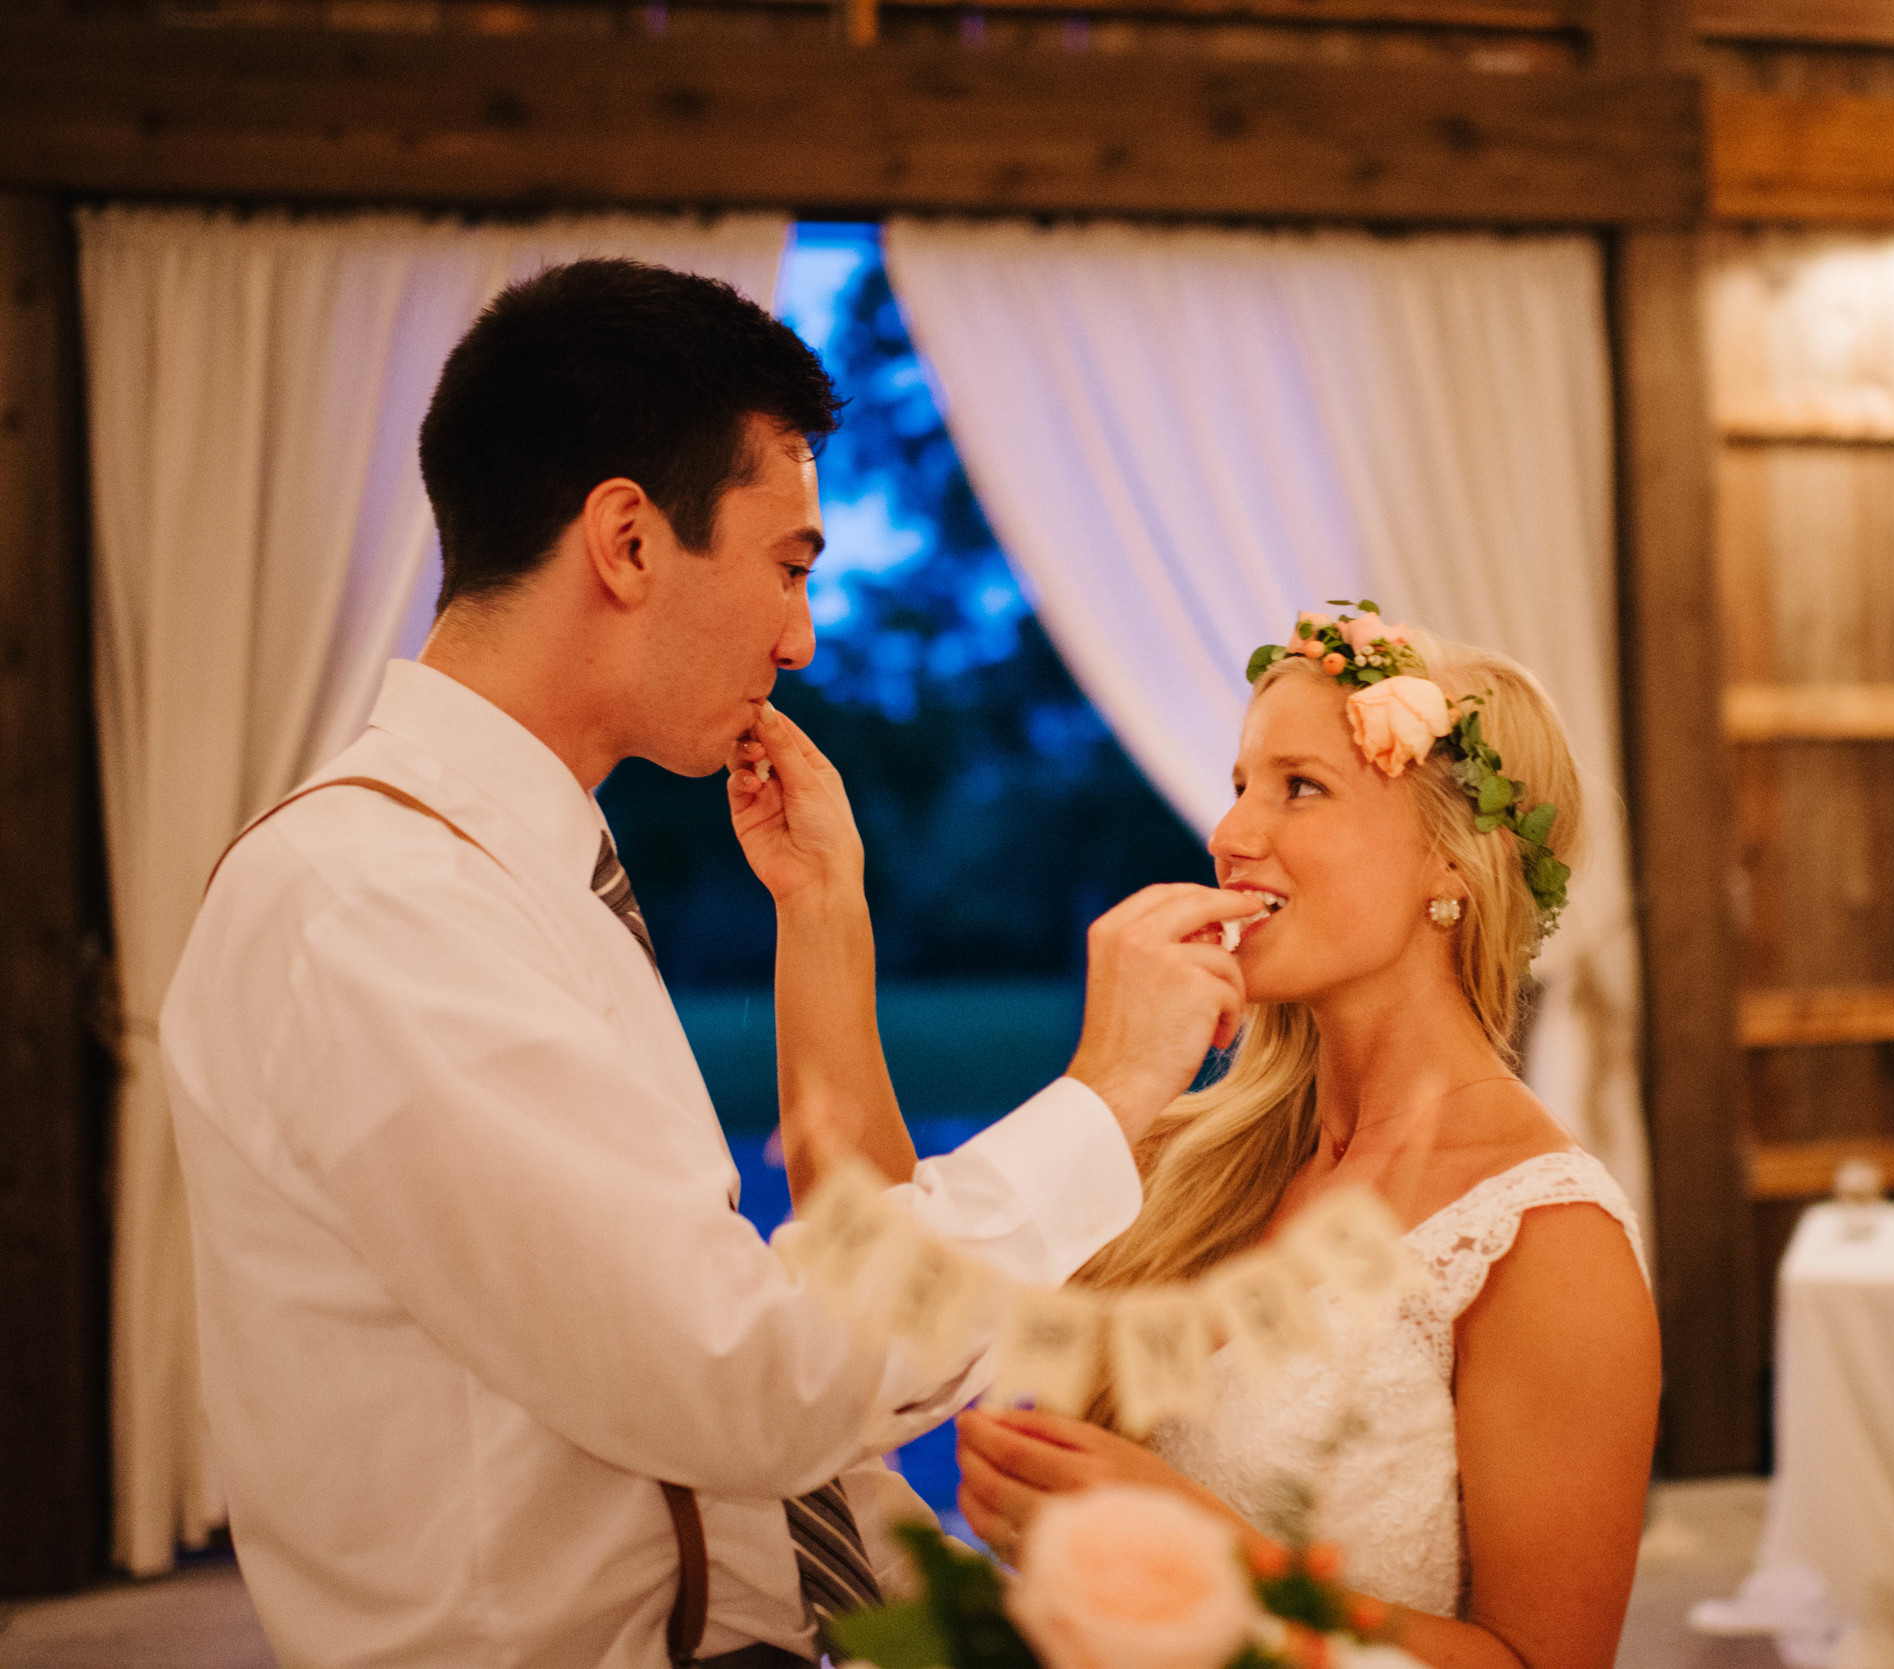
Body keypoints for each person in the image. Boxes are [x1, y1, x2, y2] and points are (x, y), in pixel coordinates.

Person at [159, 258, 1260, 1669]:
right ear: (625, 540)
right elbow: (749, 1378)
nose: (799, 636)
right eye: (789, 565)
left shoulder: (515, 878)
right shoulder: (368, 905)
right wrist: (1103, 1096)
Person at [954, 614, 1661, 1669]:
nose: (1231, 832)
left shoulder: (1544, 1240)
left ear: (1450, 863)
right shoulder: (1188, 1157)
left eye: (1299, 786)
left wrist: (1213, 1558)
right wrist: (825, 906)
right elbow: (891, 1326)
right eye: (1240, 783)